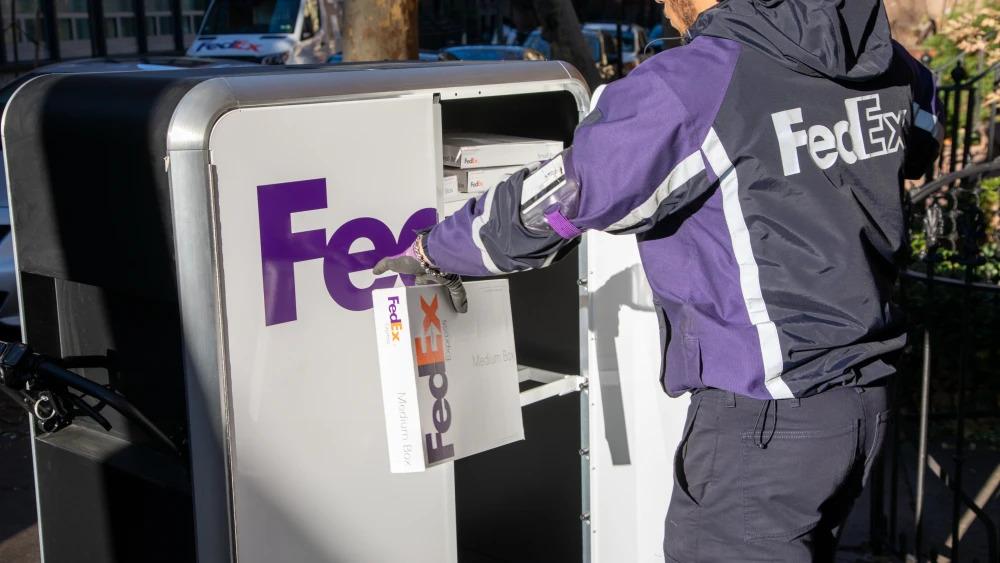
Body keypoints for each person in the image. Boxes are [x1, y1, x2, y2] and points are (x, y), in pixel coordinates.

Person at [374, 0, 942, 560]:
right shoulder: (877, 53)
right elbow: (922, 133)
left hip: (766, 416)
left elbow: (564, 198)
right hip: (861, 401)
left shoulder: (696, 82)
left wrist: (435, 250)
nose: (668, 15)